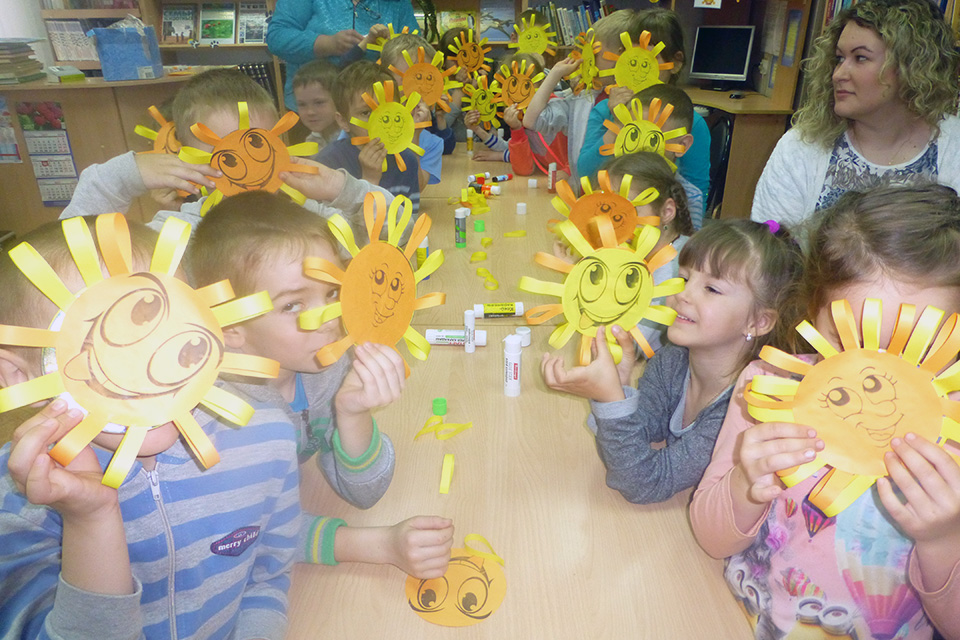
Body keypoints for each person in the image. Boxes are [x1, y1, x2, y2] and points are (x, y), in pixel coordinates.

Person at [0, 217, 300, 639]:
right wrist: (90, 520)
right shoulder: (20, 502)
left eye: (174, 326)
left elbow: (268, 574)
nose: (157, 367)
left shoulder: (266, 439)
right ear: (19, 378)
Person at [692, 184, 960, 639]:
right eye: (849, 338)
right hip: (734, 621)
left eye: (915, 348)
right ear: (813, 311)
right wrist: (745, 483)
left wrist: (943, 541)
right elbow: (710, 536)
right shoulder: (770, 390)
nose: (874, 383)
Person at [189, 191, 455, 578]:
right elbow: (243, 536)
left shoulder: (328, 366)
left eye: (332, 292)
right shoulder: (220, 417)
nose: (329, 319)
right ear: (231, 329)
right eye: (293, 305)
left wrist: (352, 414)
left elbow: (363, 494)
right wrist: (373, 545)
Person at [541, 219, 802, 504]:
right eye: (685, 278)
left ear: (759, 321)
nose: (681, 294)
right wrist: (619, 389)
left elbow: (645, 482)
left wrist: (611, 401)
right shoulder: (672, 360)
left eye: (711, 289)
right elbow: (634, 443)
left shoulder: (744, 407)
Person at [60, 68, 392, 236]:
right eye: (225, 154)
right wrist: (122, 178)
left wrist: (342, 189)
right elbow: (68, 257)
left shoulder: (309, 218)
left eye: (258, 144)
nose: (247, 166)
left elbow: (396, 232)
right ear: (188, 161)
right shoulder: (180, 232)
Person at [750, 0, 960, 227]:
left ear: (911, 68)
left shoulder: (953, 146)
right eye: (840, 58)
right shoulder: (801, 147)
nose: (839, 74)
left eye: (860, 58)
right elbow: (769, 252)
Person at [523, 9, 645, 183]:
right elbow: (531, 120)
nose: (586, 61)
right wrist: (555, 74)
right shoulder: (583, 97)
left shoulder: (641, 100)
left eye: (593, 54)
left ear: (621, 55)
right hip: (583, 194)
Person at [604, 151, 695, 353]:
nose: (615, 223)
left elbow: (631, 346)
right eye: (609, 212)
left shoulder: (672, 270)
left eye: (629, 212)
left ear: (667, 212)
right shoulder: (639, 253)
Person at [317, 61, 429, 224]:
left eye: (387, 111)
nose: (382, 122)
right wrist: (368, 181)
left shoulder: (407, 162)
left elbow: (407, 226)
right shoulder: (328, 164)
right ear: (343, 122)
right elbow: (330, 230)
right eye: (367, 112)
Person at [579, 83, 705, 228]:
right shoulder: (609, 183)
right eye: (634, 133)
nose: (640, 145)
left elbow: (688, 248)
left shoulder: (690, 197)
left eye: (652, 138)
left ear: (682, 144)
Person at [266, 0, 418, 113]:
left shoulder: (398, 3)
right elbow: (277, 38)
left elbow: (416, 48)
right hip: (313, 109)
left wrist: (394, 46)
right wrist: (327, 44)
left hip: (378, 107)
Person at [634, 7, 711, 198]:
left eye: (649, 60)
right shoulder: (610, 110)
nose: (638, 70)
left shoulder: (693, 125)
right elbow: (587, 171)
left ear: (675, 63)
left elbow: (696, 189)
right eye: (632, 59)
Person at [379, 34, 450, 168]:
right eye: (414, 76)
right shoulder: (365, 123)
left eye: (429, 78)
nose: (421, 86)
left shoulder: (431, 140)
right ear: (385, 78)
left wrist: (416, 135)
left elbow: (415, 186)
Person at [294, 59, 342, 154]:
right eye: (302, 104)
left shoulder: (351, 140)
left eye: (319, 103)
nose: (310, 112)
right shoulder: (311, 141)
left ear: (338, 99)